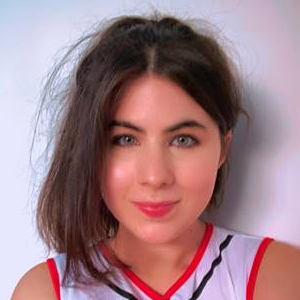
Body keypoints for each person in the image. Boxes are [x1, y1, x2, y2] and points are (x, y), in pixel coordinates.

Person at [11, 11, 300, 300]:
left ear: (223, 149)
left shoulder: (275, 277)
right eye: (125, 139)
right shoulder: (46, 292)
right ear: (91, 150)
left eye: (183, 140)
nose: (155, 176)